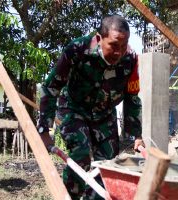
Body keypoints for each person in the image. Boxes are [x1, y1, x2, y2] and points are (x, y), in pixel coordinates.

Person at [37, 15, 144, 199]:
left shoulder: (131, 59)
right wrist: (43, 129)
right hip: (73, 109)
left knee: (109, 166)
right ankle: (69, 196)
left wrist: (137, 134)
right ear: (99, 38)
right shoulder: (77, 50)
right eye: (114, 45)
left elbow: (132, 97)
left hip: (105, 114)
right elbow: (51, 86)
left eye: (123, 46)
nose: (119, 52)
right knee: (81, 154)